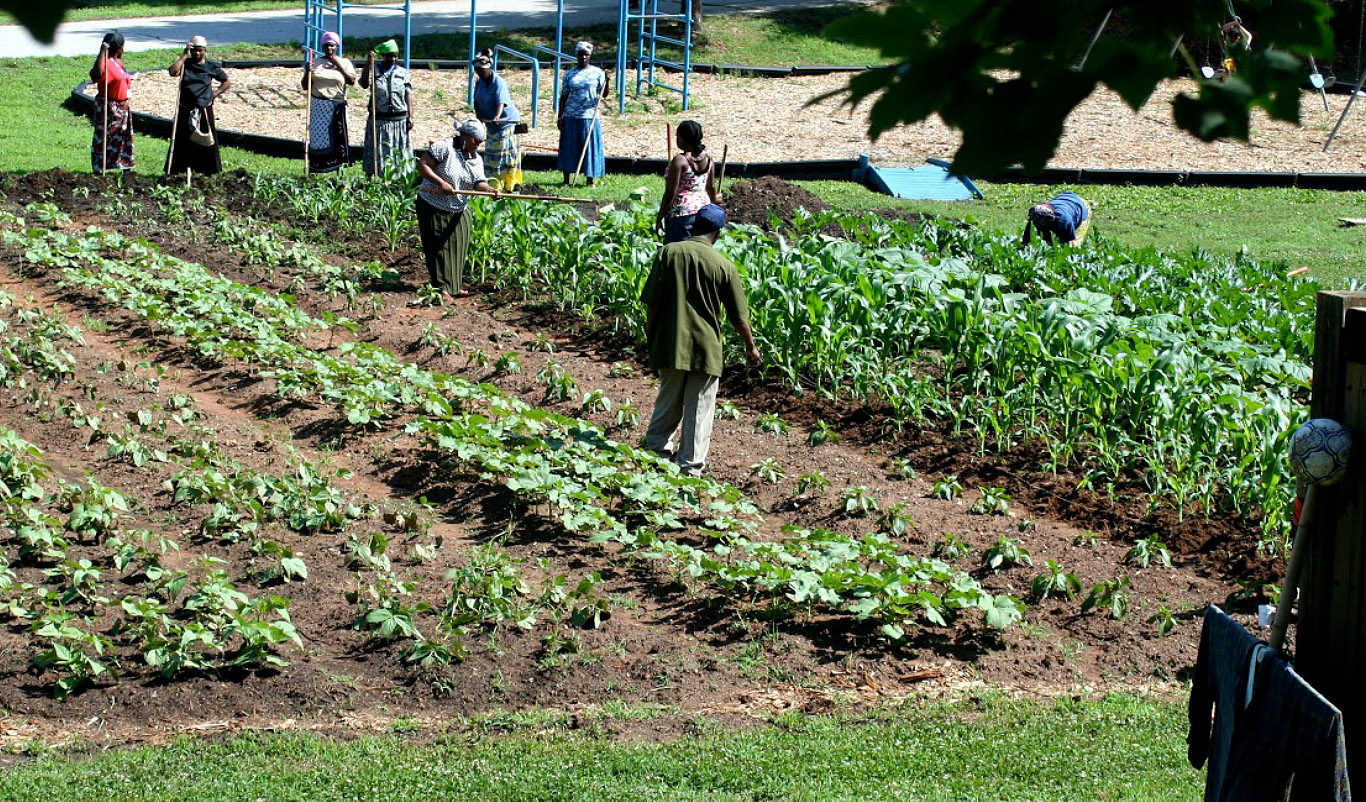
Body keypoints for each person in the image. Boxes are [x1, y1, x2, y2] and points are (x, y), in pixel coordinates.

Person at [641, 204, 761, 477]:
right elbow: (738, 317)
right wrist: (750, 347)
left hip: (671, 344)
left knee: (668, 402)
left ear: (694, 225)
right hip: (706, 349)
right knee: (700, 409)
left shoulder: (668, 254)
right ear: (717, 233)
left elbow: (653, 305)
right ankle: (690, 467)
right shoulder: (723, 266)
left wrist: (652, 337)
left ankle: (656, 456)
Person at [416, 120, 501, 300]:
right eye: (476, 140)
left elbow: (479, 183)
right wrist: (441, 183)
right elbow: (423, 164)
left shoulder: (475, 158)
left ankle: (453, 285)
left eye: (481, 141)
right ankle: (441, 288)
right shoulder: (444, 148)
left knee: (457, 247)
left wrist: (490, 191)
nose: (479, 144)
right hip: (433, 204)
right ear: (465, 136)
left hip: (458, 207)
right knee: (439, 247)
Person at [166, 35, 230, 176]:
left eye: (200, 50)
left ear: (205, 50)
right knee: (183, 140)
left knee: (205, 140)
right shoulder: (186, 64)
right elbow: (172, 72)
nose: (197, 53)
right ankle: (179, 170)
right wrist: (184, 55)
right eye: (194, 50)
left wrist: (214, 94)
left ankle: (207, 170)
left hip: (203, 109)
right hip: (185, 108)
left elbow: (226, 82)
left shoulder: (210, 67)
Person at [655, 120, 720, 243]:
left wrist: (660, 216)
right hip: (703, 211)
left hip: (682, 214)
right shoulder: (708, 159)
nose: (676, 139)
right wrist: (715, 200)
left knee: (677, 252)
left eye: (677, 136)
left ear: (683, 138)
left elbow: (670, 193)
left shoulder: (680, 161)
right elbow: (710, 187)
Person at [301, 31, 357, 173]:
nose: (329, 49)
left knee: (337, 139)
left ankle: (338, 169)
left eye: (332, 46)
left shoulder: (345, 62)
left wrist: (336, 62)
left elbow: (351, 80)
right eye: (326, 46)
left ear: (337, 46)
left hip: (336, 106)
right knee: (318, 138)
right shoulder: (316, 63)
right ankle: (316, 169)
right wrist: (307, 72)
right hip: (318, 106)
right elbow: (305, 86)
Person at [359, 38, 414, 177]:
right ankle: (378, 177)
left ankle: (399, 178)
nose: (393, 59)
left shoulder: (403, 73)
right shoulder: (374, 70)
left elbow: (408, 94)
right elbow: (364, 84)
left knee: (398, 151)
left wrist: (410, 115)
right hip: (379, 119)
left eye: (395, 56)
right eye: (389, 56)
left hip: (399, 120)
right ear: (383, 56)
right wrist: (368, 63)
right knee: (379, 151)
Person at [556, 41, 607, 186]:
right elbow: (564, 96)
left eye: (586, 54)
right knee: (569, 147)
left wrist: (607, 81)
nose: (583, 57)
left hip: (589, 116)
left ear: (590, 56)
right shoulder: (570, 74)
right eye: (580, 54)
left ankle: (589, 179)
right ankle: (566, 179)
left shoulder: (598, 73)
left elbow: (604, 94)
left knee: (589, 148)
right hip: (571, 115)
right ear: (576, 55)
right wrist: (560, 117)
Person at [471, 49, 522, 191]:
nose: (479, 73)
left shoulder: (498, 82)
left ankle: (509, 184)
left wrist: (497, 116)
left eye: (482, 70)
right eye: (477, 70)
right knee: (491, 155)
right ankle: (492, 184)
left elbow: (501, 102)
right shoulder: (479, 82)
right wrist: (479, 116)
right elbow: (476, 102)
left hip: (506, 123)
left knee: (504, 155)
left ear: (488, 68)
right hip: (491, 124)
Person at [90, 31, 134, 174]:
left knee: (122, 137)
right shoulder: (105, 62)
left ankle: (123, 164)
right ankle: (100, 167)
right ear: (120, 47)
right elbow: (96, 75)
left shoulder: (117, 62)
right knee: (107, 137)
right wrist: (102, 52)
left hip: (122, 106)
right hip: (110, 107)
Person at [1021, 191, 1091, 247]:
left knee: (1074, 245)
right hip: (1065, 199)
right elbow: (1026, 241)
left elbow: (1070, 244)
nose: (1039, 223)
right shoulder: (1035, 217)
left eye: (1043, 222)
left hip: (1081, 207)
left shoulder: (1064, 220)